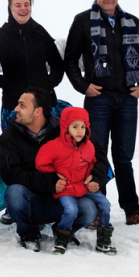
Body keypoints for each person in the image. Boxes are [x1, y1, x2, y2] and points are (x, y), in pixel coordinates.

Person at [64, 0, 139, 227]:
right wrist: (83, 85)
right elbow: (69, 59)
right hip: (98, 99)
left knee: (124, 158)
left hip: (126, 100)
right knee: (94, 156)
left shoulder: (131, 21)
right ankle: (95, 211)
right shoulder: (83, 21)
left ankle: (132, 211)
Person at [0, 87, 100, 252]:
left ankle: (63, 230)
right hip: (33, 200)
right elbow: (9, 174)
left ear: (38, 111)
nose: (16, 109)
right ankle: (29, 234)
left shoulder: (65, 130)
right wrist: (50, 182)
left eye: (22, 105)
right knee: (14, 193)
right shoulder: (10, 136)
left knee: (89, 208)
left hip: (65, 198)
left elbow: (97, 154)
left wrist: (96, 176)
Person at [36, 107, 115, 255]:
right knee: (71, 210)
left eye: (83, 127)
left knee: (105, 204)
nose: (80, 131)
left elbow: (94, 162)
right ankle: (62, 239)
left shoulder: (89, 146)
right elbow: (41, 163)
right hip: (66, 188)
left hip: (83, 186)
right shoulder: (54, 146)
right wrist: (54, 176)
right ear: (66, 127)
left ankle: (104, 240)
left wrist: (93, 177)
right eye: (75, 127)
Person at [0, 0, 65, 133]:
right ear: (10, 8)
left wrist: (47, 85)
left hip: (43, 104)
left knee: (48, 152)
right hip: (13, 106)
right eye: (18, 5)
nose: (23, 8)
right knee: (15, 152)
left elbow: (58, 65)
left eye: (27, 4)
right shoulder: (0, 37)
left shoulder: (40, 33)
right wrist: (8, 85)